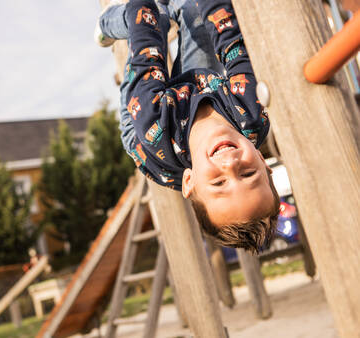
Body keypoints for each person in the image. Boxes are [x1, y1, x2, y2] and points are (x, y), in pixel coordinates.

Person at [96, 0, 280, 253]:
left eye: (218, 183)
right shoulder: (250, 113)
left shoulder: (153, 122)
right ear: (261, 158)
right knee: (197, 12)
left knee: (149, 18)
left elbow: (146, 51)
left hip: (148, 125)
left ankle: (107, 24)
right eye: (248, 174)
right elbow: (232, 41)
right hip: (201, 88)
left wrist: (145, 13)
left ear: (190, 181)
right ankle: (174, 11)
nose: (231, 165)